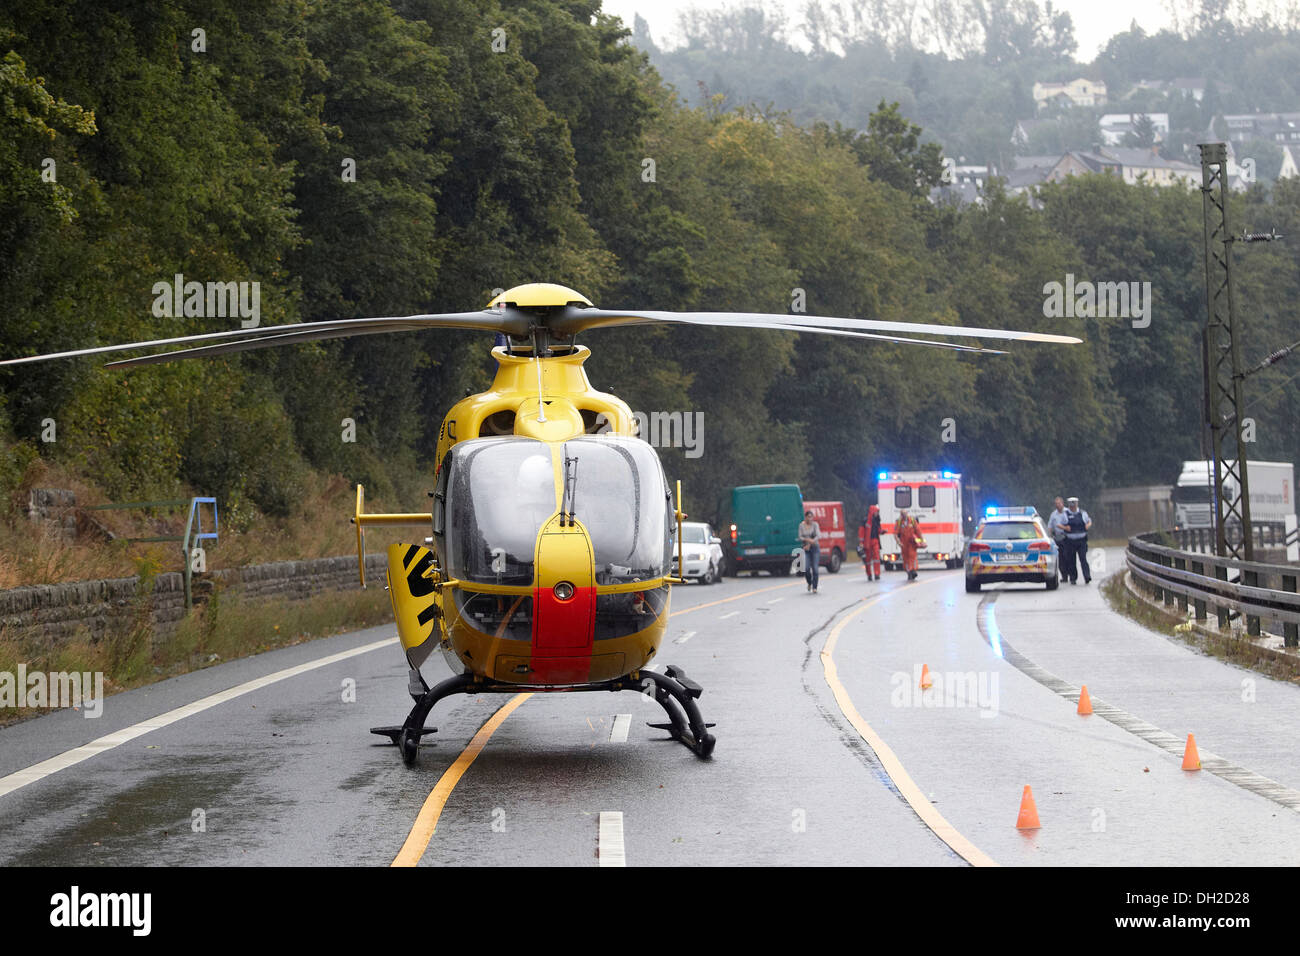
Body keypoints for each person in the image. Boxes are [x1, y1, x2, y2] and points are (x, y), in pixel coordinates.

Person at [1062, 496, 1092, 585]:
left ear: (1077, 504)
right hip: (1070, 541)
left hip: (1081, 540)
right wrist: (1065, 527)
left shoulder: (1083, 513)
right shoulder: (1065, 514)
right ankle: (1073, 578)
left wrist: (1088, 525)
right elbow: (1060, 525)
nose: (1073, 506)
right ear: (1069, 505)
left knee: (1083, 558)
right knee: (1071, 560)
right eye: (1071, 505)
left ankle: (1087, 577)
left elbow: (1089, 521)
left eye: (1074, 504)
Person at [1046, 496, 1069, 585]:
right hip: (1057, 538)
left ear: (1062, 504)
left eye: (1059, 503)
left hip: (1066, 538)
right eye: (1056, 504)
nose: (1057, 505)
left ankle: (1071, 575)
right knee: (1060, 558)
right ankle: (1064, 576)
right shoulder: (1053, 515)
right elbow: (1050, 526)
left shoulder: (1067, 512)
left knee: (1068, 557)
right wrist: (1049, 536)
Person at [798, 509, 821, 592]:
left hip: (815, 548)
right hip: (805, 548)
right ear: (805, 517)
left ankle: (815, 587)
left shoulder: (815, 525)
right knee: (806, 568)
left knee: (815, 568)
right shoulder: (801, 525)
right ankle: (809, 582)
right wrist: (807, 540)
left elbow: (818, 535)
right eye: (808, 517)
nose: (810, 519)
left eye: (811, 517)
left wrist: (811, 542)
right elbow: (800, 537)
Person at [897, 509, 923, 581]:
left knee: (913, 556)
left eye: (905, 513)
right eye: (902, 514)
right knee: (906, 558)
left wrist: (922, 541)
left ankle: (913, 570)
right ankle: (909, 571)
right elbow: (895, 533)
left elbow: (918, 531)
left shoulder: (912, 520)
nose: (904, 515)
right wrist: (898, 542)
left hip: (912, 542)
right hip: (904, 543)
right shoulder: (899, 522)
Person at [857, 505, 882, 580]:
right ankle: (869, 574)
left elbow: (878, 529)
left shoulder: (877, 520)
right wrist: (861, 542)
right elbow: (861, 531)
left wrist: (882, 531)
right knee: (867, 560)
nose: (877, 513)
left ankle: (877, 574)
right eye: (877, 512)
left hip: (875, 541)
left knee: (877, 558)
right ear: (873, 512)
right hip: (867, 542)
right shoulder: (865, 520)